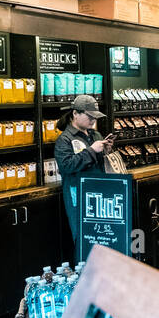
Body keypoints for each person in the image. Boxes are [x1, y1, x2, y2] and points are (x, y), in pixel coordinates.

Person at [53, 94, 114, 259]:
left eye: (95, 117)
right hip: (79, 196)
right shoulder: (64, 140)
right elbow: (67, 166)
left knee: (105, 239)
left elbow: (100, 163)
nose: (93, 120)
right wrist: (92, 151)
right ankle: (86, 279)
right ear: (75, 114)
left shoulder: (95, 135)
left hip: (102, 195)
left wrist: (106, 150)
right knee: (85, 239)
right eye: (89, 116)